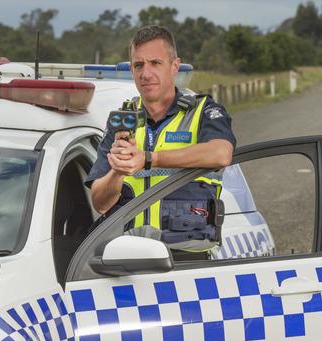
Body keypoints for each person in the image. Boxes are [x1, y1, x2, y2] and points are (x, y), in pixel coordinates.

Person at [84, 25, 236, 256]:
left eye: (155, 63)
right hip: (128, 260)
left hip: (187, 258)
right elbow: (101, 203)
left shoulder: (204, 111)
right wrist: (117, 171)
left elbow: (221, 153)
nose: (146, 73)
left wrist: (148, 159)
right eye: (138, 65)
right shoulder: (121, 119)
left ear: (174, 66)